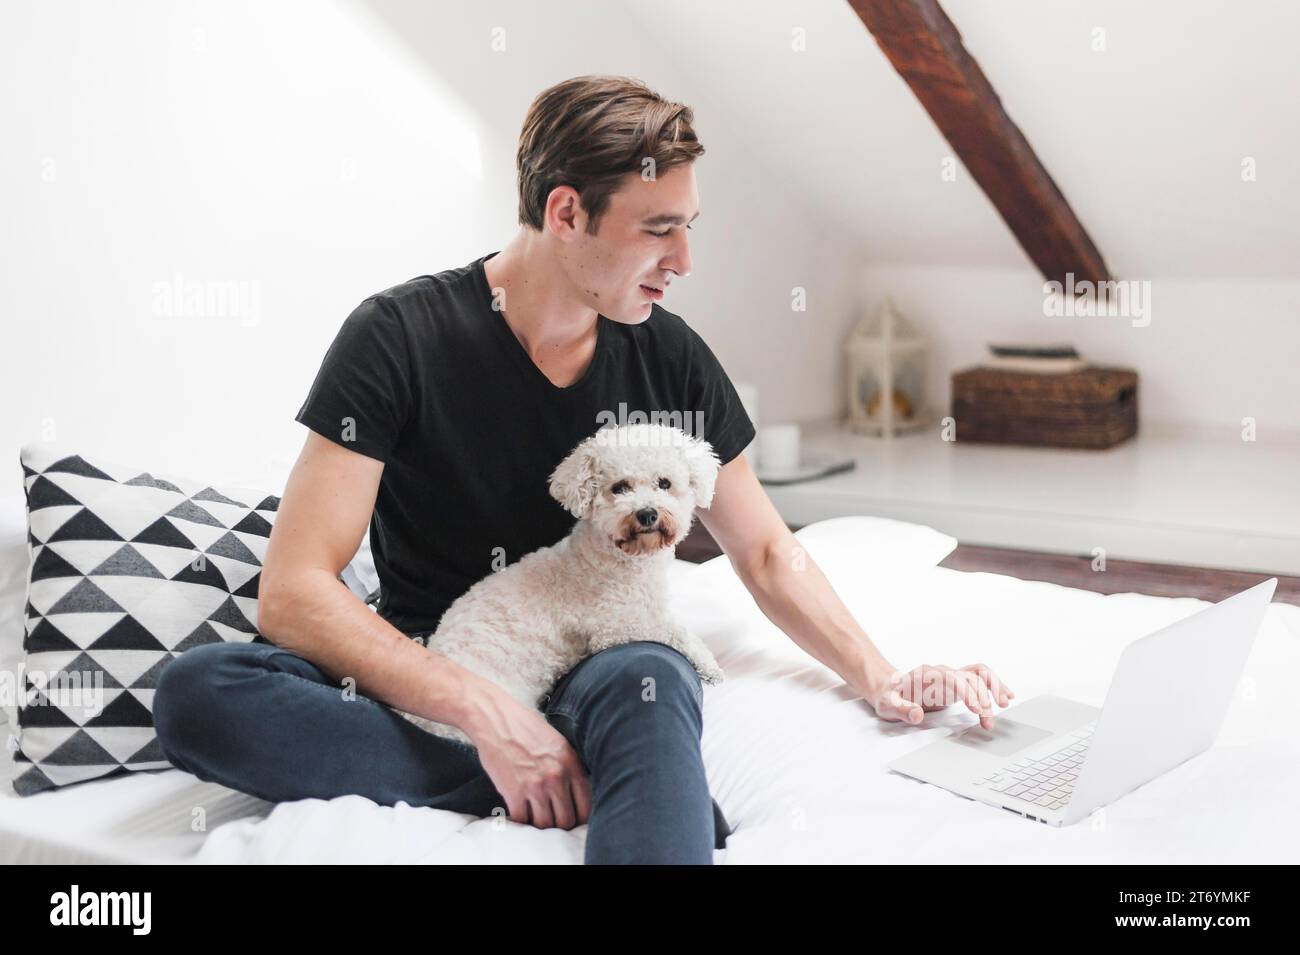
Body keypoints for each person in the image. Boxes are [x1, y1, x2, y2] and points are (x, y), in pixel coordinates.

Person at [152, 74, 1013, 865]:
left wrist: (882, 676)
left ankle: (583, 772)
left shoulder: (671, 356)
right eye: (658, 229)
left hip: (610, 659)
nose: (683, 260)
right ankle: (584, 781)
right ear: (566, 213)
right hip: (442, 663)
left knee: (653, 681)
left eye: (689, 226)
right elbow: (295, 589)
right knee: (199, 693)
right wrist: (489, 718)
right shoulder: (397, 338)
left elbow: (764, 552)